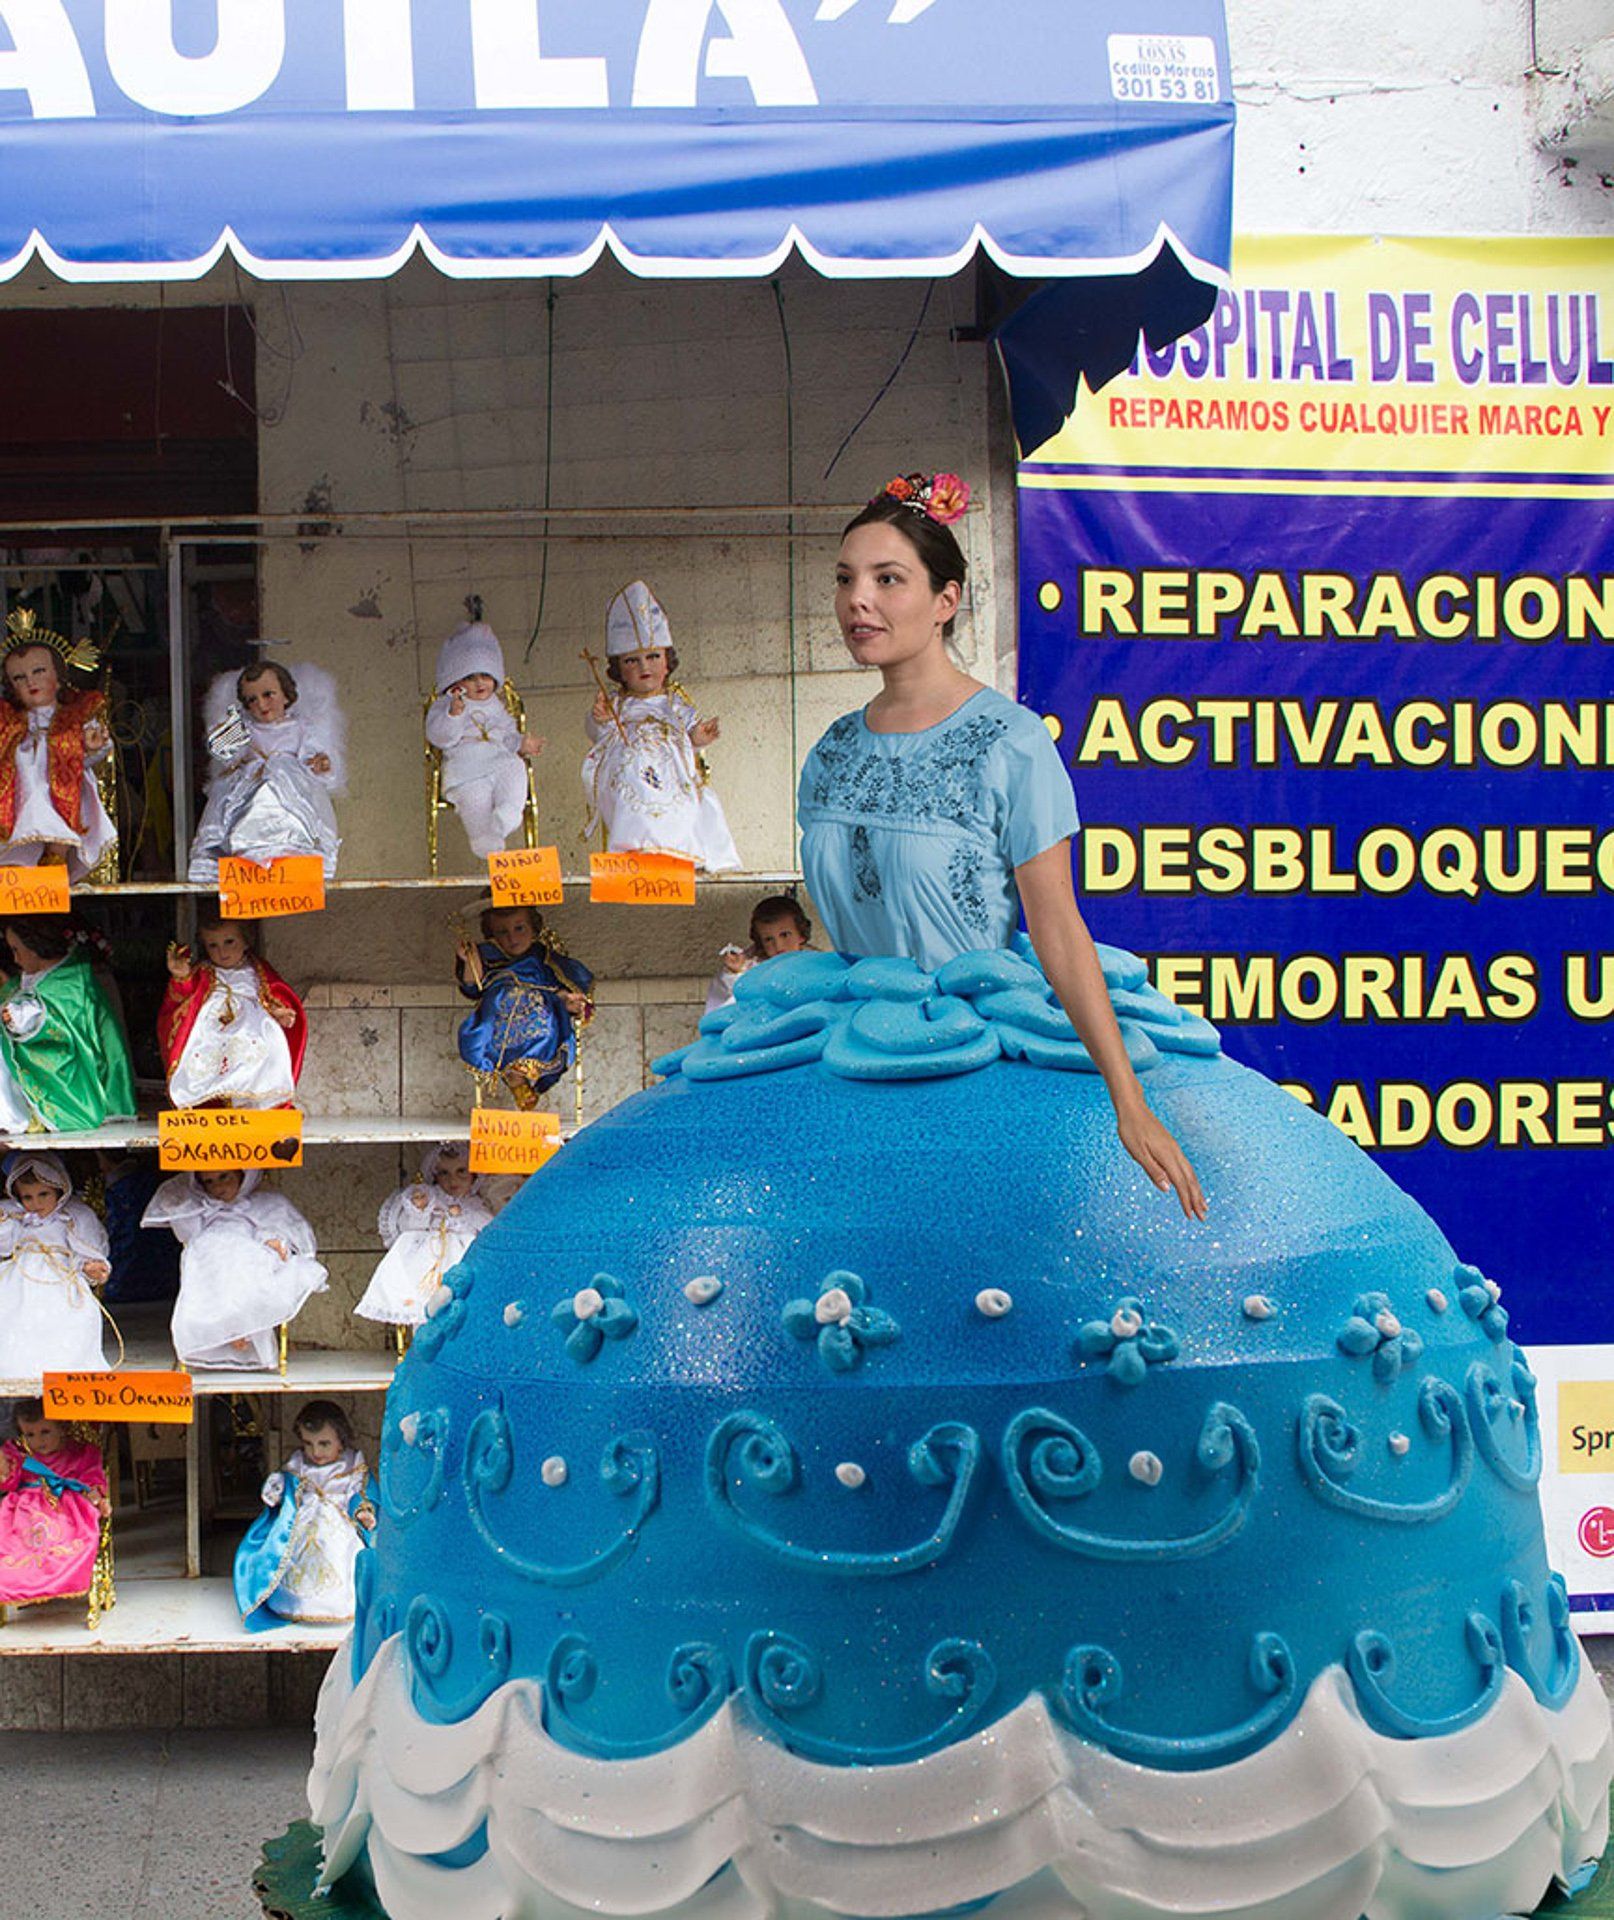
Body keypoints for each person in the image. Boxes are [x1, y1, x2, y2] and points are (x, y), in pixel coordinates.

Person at [797, 472, 1204, 1218]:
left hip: (970, 1074)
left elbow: (1056, 924)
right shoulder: (829, 752)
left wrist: (1128, 1100)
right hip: (856, 1062)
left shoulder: (1010, 742)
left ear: (945, 601)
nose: (859, 599)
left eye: (889, 579)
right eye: (847, 579)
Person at [582, 580, 741, 871]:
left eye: (653, 657)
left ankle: (678, 850)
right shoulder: (617, 704)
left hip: (671, 773)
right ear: (619, 670)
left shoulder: (674, 703)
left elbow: (690, 730)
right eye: (633, 660)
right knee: (631, 789)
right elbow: (598, 736)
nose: (645, 667)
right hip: (630, 773)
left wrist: (698, 735)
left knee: (681, 802)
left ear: (668, 662)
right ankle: (634, 849)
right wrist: (600, 719)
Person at [142, 1168, 328, 1370]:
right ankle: (226, 1329)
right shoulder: (203, 1208)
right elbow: (189, 1234)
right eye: (209, 1182)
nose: (218, 1187)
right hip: (209, 1251)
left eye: (224, 1177)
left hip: (248, 1249)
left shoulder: (264, 1203)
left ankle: (243, 1327)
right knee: (211, 1266)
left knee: (249, 1265)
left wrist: (274, 1241)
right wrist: (178, 1205)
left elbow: (276, 1228)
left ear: (243, 1175)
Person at [188, 660, 345, 881]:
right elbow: (227, 755)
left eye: (268, 694)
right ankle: (249, 855)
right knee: (247, 808)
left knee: (293, 813)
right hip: (252, 782)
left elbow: (314, 758)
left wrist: (320, 764)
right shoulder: (246, 729)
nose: (261, 704)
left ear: (286, 696)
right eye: (252, 700)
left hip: (290, 784)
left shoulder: (300, 728)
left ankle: (291, 852)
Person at [233, 1398, 376, 1629]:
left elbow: (361, 1492)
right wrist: (278, 1488)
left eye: (324, 1444)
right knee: (293, 1555)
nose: (315, 1452)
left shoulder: (352, 1466)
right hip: (305, 1519)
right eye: (309, 1444)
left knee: (339, 1551)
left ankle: (339, 1605)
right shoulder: (299, 1464)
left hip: (338, 1523)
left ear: (342, 1441)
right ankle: (294, 1603)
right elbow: (287, 1485)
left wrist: (363, 1510)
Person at [0, 616, 116, 881]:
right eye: (19, 677)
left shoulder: (75, 715)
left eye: (39, 671)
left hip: (64, 783)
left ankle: (56, 857)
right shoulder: (9, 723)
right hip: (24, 785)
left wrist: (92, 747)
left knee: (62, 817)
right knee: (26, 819)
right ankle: (24, 865)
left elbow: (91, 754)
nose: (31, 681)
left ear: (59, 676)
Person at [0, 915, 137, 1133]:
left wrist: (17, 1017)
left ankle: (12, 1114)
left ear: (35, 947)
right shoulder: (50, 977)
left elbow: (54, 1021)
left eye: (16, 950)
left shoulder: (69, 983)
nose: (15, 959)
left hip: (74, 1081)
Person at [426, 613, 544, 860]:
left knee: (516, 769)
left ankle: (508, 814)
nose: (480, 683)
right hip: (467, 767)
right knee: (475, 798)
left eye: (486, 676)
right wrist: (453, 716)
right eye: (470, 677)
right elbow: (439, 737)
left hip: (497, 758)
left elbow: (506, 733)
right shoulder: (448, 704)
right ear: (455, 681)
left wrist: (521, 743)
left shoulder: (495, 704)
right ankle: (485, 840)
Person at [158, 912, 306, 1109]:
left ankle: (255, 1103)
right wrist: (182, 976)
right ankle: (210, 1102)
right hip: (212, 1027)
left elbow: (274, 991)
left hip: (252, 1025)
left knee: (263, 1046)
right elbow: (183, 996)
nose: (222, 951)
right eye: (213, 945)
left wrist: (278, 1011)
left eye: (229, 942)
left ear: (246, 941)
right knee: (203, 1053)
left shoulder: (256, 970)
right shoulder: (203, 972)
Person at [456, 902, 594, 1111]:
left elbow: (558, 985)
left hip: (538, 1014)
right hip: (497, 1017)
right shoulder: (488, 956)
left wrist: (568, 1001)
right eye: (503, 932)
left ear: (534, 928)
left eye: (519, 928)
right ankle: (513, 1076)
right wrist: (470, 961)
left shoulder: (542, 957)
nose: (513, 938)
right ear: (491, 933)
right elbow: (474, 987)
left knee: (543, 1023)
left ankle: (522, 1074)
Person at [354, 1143, 495, 1335]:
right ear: (435, 1176)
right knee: (420, 1300)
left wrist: (460, 1215)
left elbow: (487, 1226)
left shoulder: (474, 1205)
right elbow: (409, 1224)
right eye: (444, 1173)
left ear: (474, 1175)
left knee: (461, 1302)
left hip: (461, 1260)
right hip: (428, 1261)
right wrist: (421, 1207)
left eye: (461, 1171)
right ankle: (421, 1339)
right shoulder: (432, 1199)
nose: (452, 1179)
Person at [0, 1152, 115, 1376]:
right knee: (14, 1315)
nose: (36, 1203)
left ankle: (65, 1363)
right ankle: (17, 1365)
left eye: (44, 1194)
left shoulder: (73, 1216)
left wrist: (90, 1267)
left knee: (64, 1318)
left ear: (60, 1190)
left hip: (59, 1273)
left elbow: (86, 1248)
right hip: (21, 1274)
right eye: (28, 1197)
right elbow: (5, 1247)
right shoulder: (16, 1216)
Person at [0, 1398, 110, 1612]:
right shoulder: (20, 1453)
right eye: (30, 1434)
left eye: (45, 1432)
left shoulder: (81, 1452)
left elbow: (91, 1479)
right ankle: (23, 1586)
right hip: (25, 1508)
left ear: (62, 1427)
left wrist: (97, 1497)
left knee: (67, 1542)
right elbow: (9, 1482)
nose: (38, 1441)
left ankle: (59, 1582)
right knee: (16, 1543)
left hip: (67, 1507)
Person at [704, 895, 815, 1013]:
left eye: (785, 935)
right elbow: (727, 1008)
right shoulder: (752, 969)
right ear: (760, 942)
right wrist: (735, 974)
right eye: (768, 939)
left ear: (801, 934)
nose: (778, 945)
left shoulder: (817, 964)